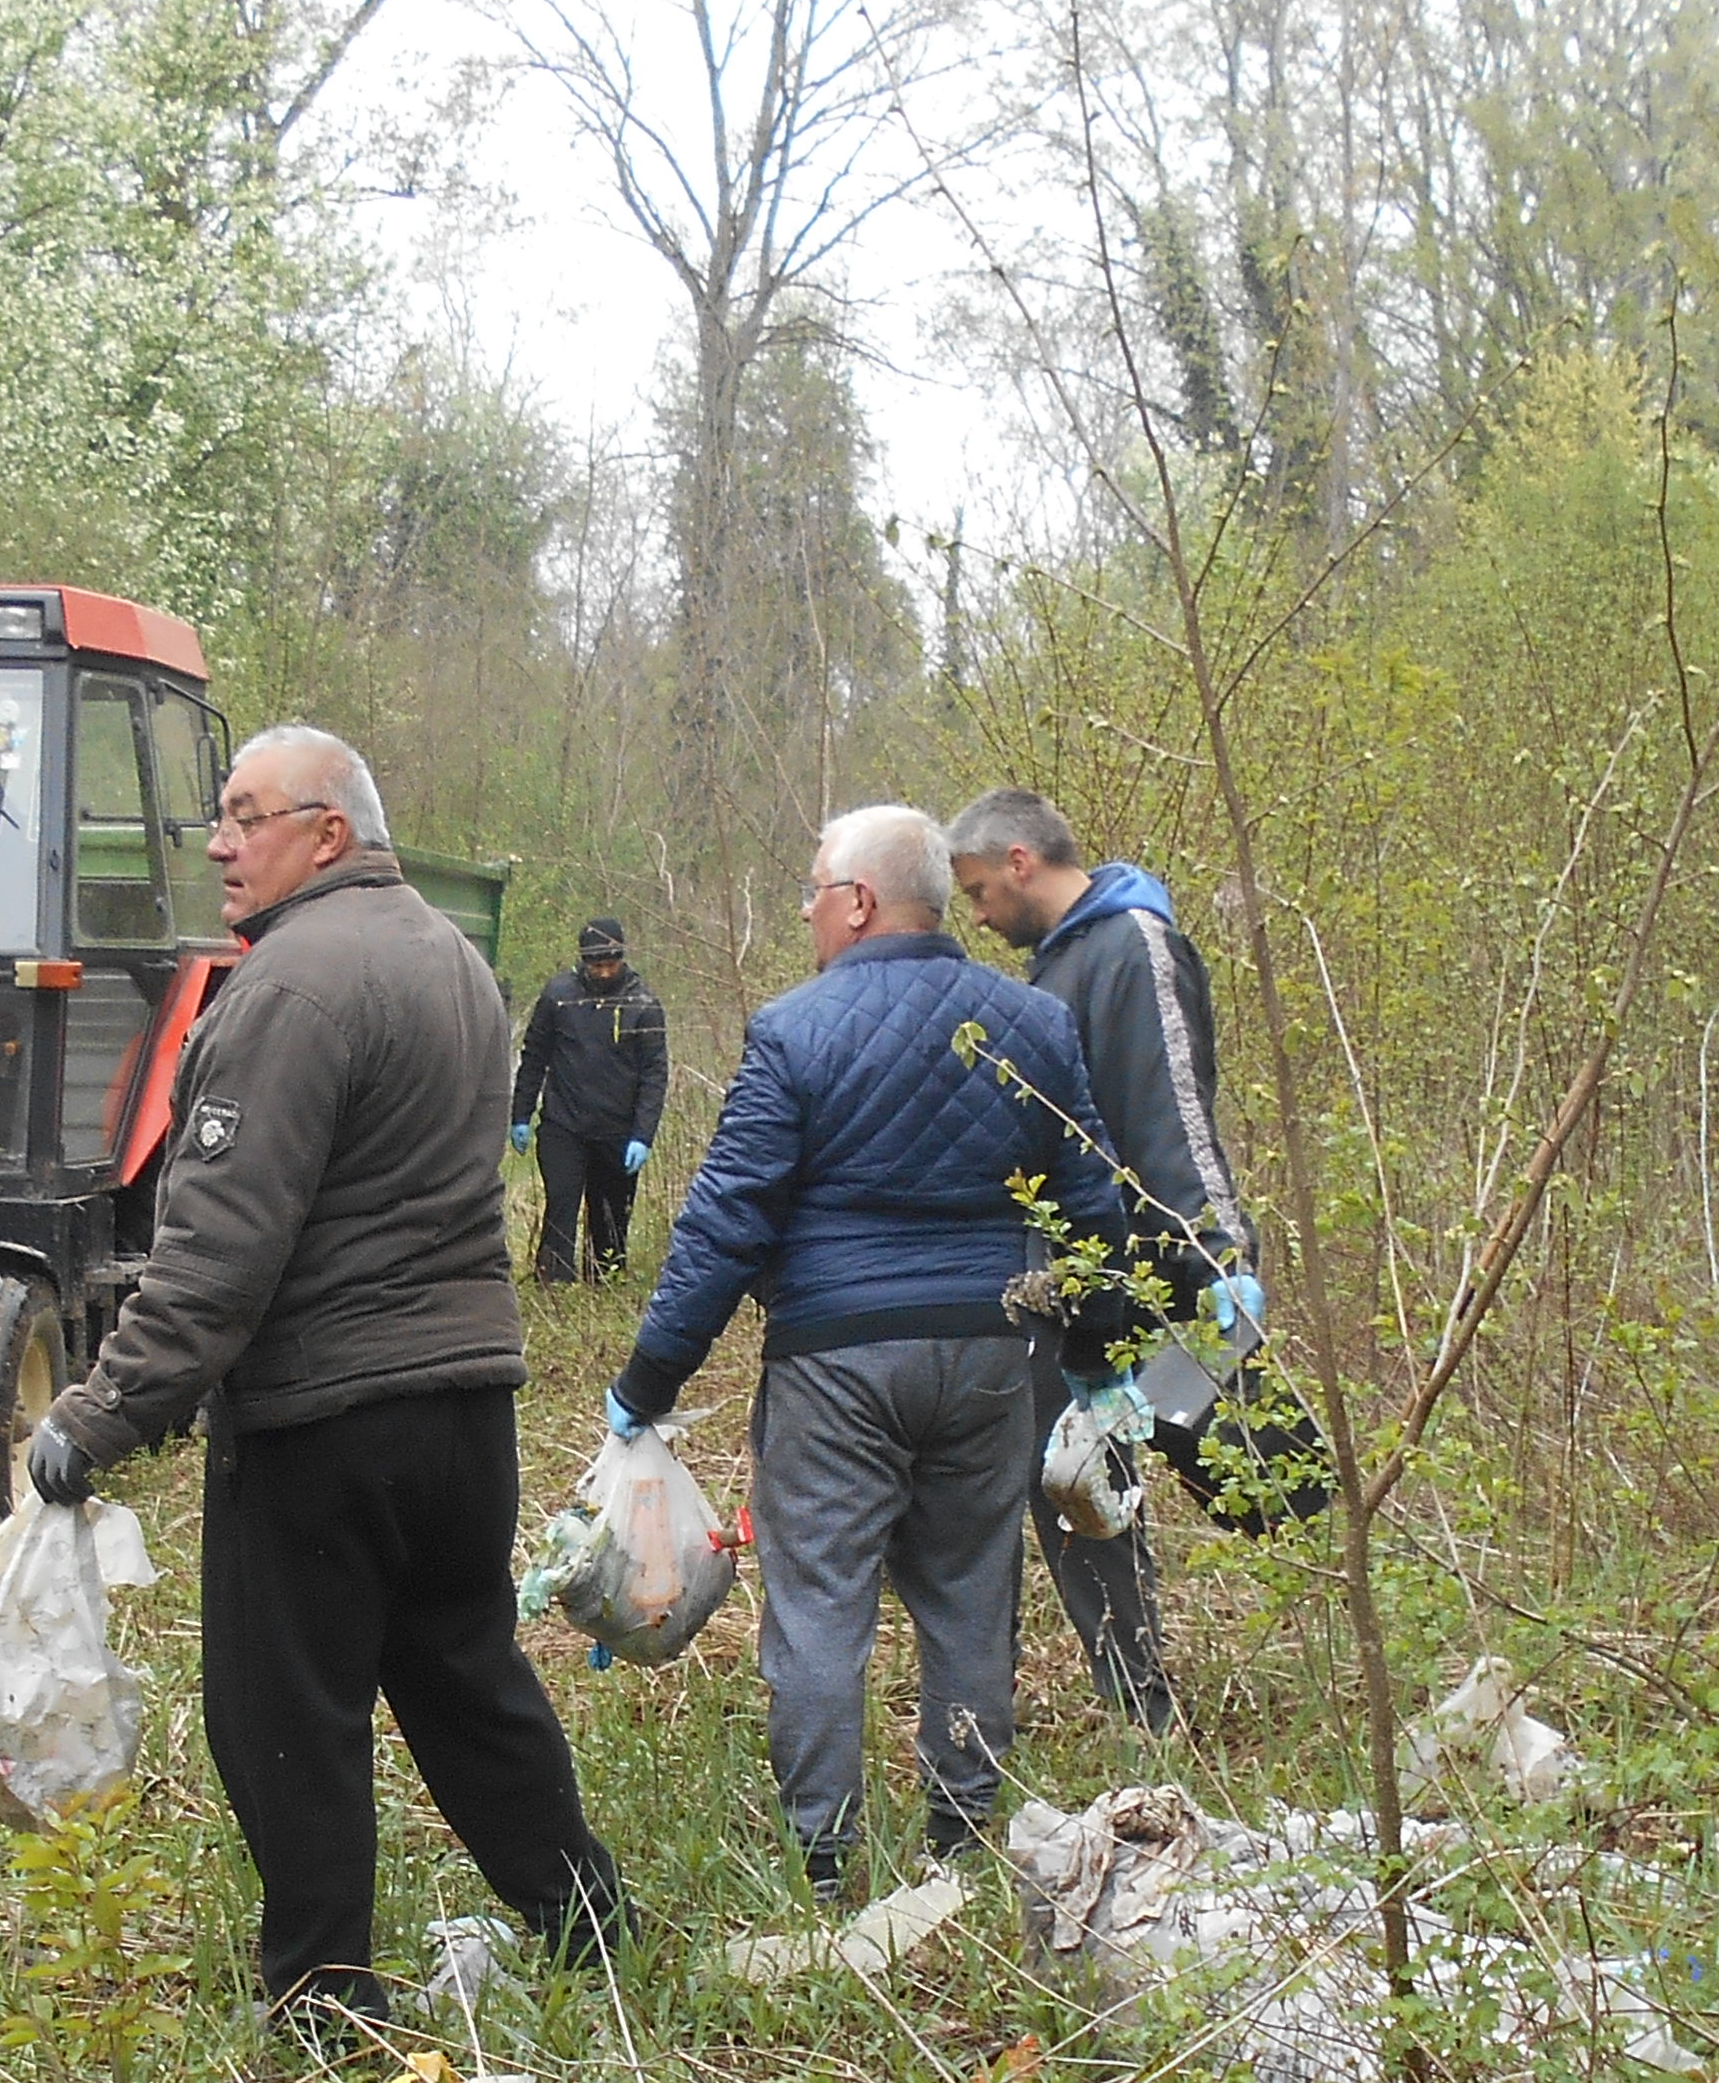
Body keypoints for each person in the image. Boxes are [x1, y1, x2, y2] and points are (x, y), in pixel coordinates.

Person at [20, 724, 625, 2024]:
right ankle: (589, 1920)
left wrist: (99, 1415)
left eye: (246, 817)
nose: (222, 846)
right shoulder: (453, 962)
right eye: (218, 819)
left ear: (328, 834)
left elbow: (218, 1258)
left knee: (279, 1715)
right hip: (468, 1409)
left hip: (329, 1419)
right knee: (468, 1682)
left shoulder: (289, 987)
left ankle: (320, 1995)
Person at [607, 807, 1116, 1898]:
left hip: (836, 1366)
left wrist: (650, 1379)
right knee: (974, 1596)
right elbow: (1094, 1204)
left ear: (859, 901)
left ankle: (826, 1862)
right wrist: (1097, 1352)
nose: (803, 911)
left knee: (821, 1603)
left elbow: (727, 1222)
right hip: (990, 1353)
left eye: (810, 891)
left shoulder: (795, 1031)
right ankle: (964, 1840)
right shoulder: (1030, 1024)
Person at [944, 789, 1266, 1736]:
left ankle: (1146, 1706)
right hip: (1065, 1274)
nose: (977, 915)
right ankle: (1104, 1702)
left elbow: (1173, 1108)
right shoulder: (1058, 967)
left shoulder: (1135, 946)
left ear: (1018, 859)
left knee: (1159, 1477)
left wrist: (1219, 1253)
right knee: (1071, 1483)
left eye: (976, 892)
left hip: (1140, 1271)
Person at [507, 916, 670, 1283]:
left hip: (618, 1130)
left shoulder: (643, 1004)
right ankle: (555, 1285)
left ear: (622, 959)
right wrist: (521, 1113)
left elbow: (654, 1075)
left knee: (609, 1217)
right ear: (584, 961)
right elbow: (535, 1056)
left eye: (611, 964)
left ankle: (605, 1282)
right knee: (561, 1207)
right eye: (596, 965)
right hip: (564, 1125)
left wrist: (642, 1135)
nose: (604, 972)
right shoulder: (558, 997)